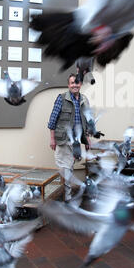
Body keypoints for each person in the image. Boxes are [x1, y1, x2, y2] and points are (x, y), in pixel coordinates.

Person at [48, 74, 90, 202]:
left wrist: (87, 139)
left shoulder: (84, 99)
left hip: (77, 140)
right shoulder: (61, 98)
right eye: (72, 83)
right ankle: (68, 197)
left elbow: (88, 121)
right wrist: (52, 139)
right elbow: (52, 120)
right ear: (68, 85)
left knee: (70, 167)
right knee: (65, 168)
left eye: (77, 83)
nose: (75, 85)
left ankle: (67, 194)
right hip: (64, 139)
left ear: (80, 84)